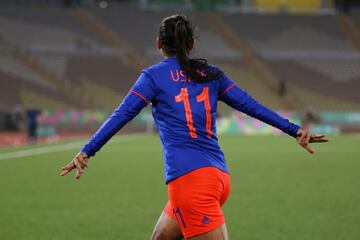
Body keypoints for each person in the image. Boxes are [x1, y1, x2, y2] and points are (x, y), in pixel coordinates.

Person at [60, 15, 328, 240]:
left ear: (159, 44)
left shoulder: (152, 76)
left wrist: (87, 150)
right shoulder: (211, 74)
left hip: (190, 183)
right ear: (191, 44)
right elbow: (250, 105)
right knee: (161, 238)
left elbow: (121, 115)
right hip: (218, 177)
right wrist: (294, 129)